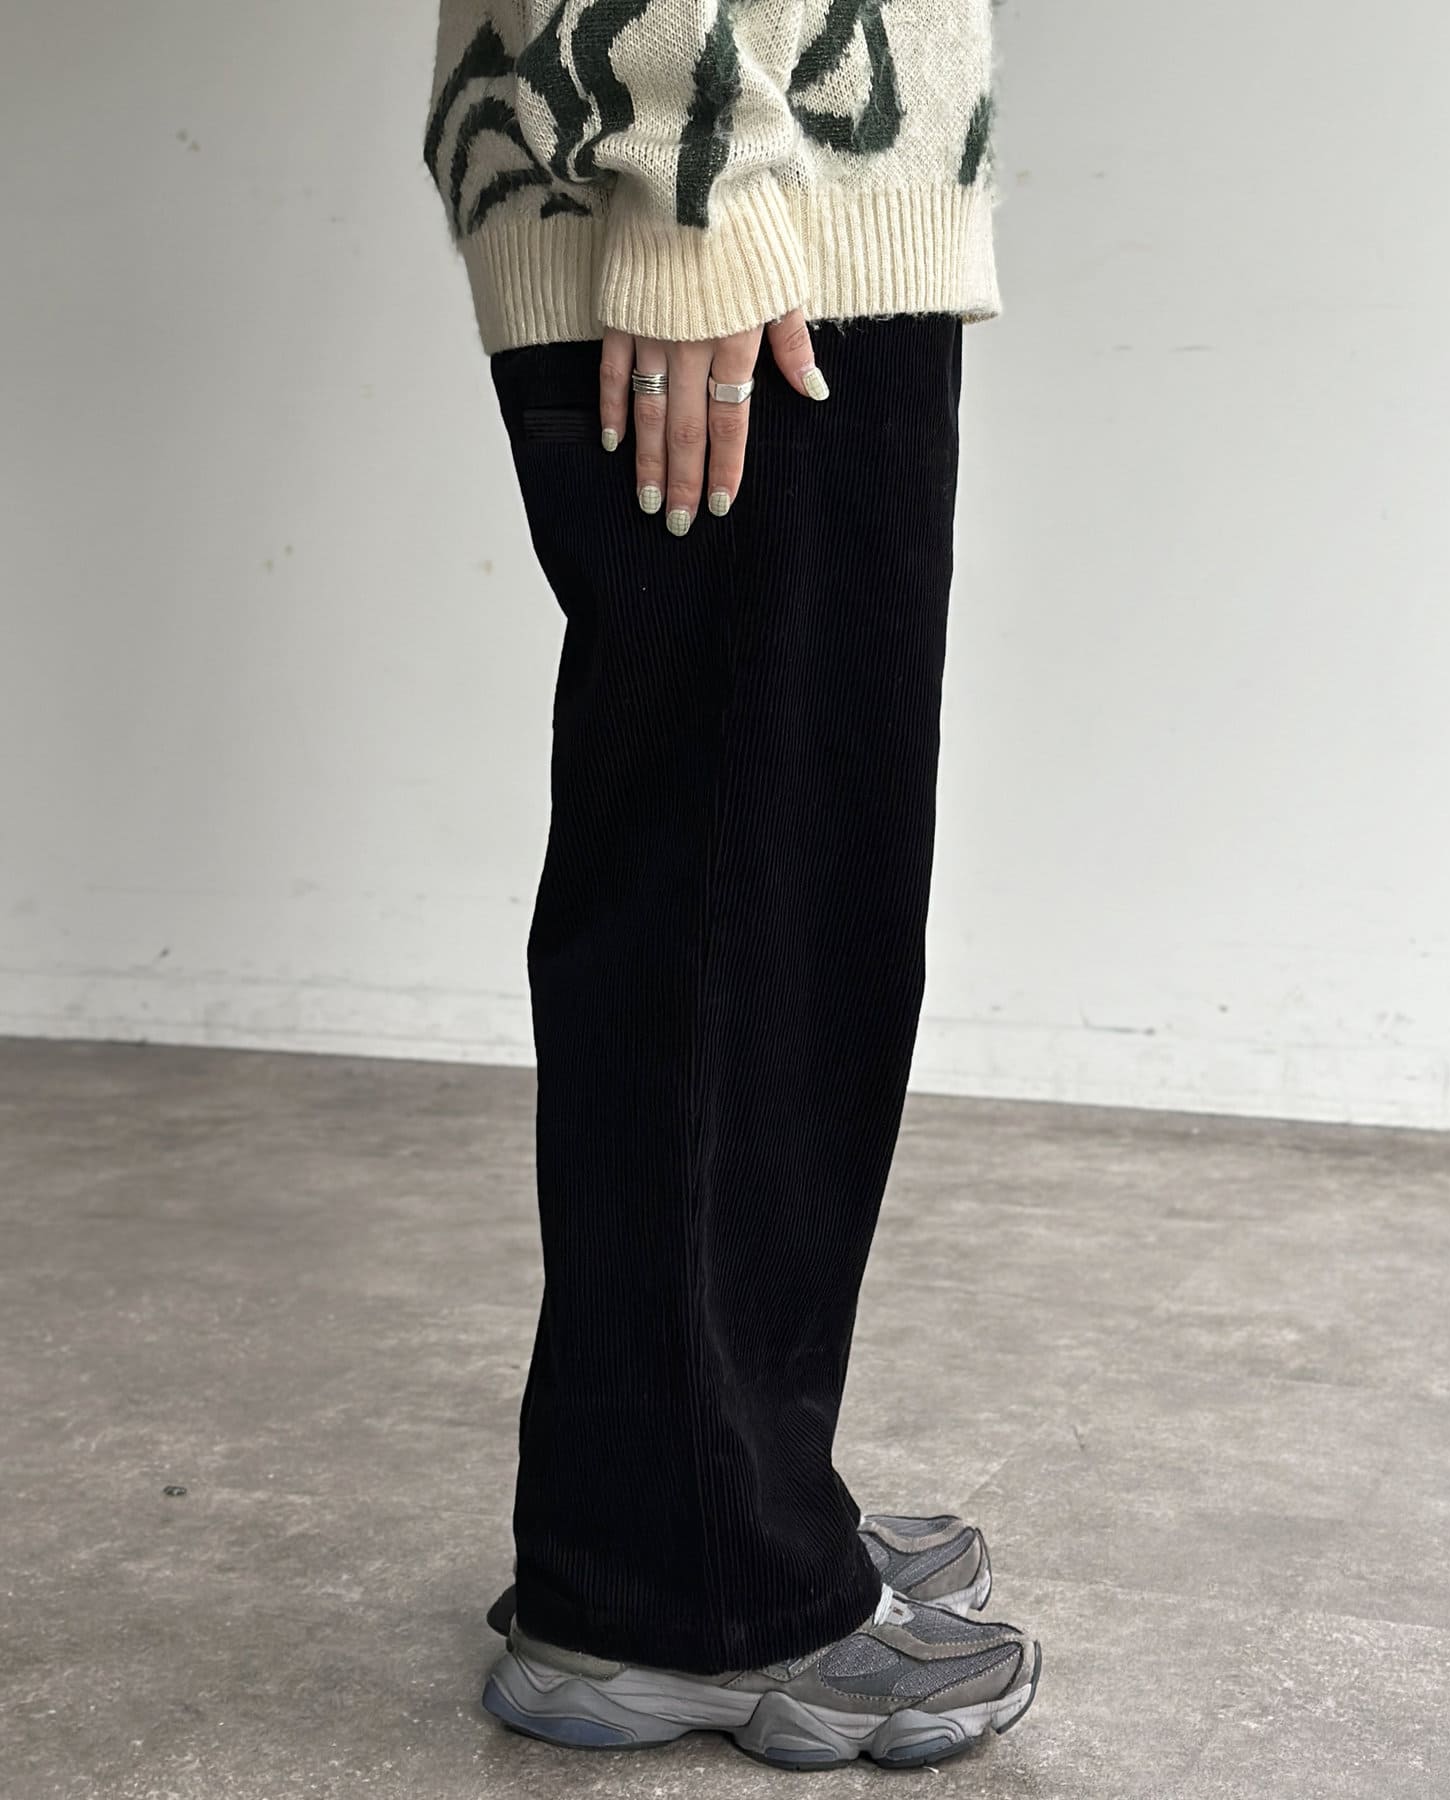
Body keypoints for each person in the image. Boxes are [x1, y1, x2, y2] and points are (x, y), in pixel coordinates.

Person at [422, 0, 1041, 1771]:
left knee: (793, 902)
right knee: (725, 906)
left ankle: (719, 1492)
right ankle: (670, 1586)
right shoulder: (703, 198)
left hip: (797, 199)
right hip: (727, 213)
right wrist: (688, 178)